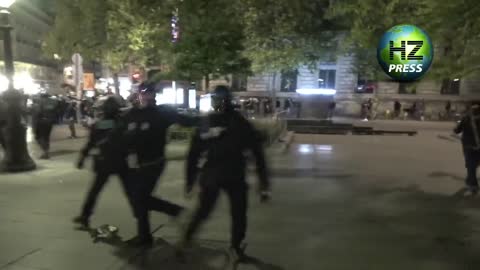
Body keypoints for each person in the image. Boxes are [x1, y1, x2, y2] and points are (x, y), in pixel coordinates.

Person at [179, 85, 271, 259]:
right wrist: (264, 184)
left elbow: (193, 155)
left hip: (218, 174)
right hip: (229, 174)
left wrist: (190, 181)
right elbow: (258, 155)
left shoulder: (215, 122)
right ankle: (235, 246)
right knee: (236, 213)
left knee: (208, 210)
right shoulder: (239, 123)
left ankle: (188, 238)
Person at [122, 82, 198, 248]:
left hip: (154, 163)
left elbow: (186, 121)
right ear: (138, 95)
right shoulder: (131, 115)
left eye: (150, 92)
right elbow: (119, 135)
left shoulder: (162, 112)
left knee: (140, 198)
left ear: (154, 94)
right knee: (139, 201)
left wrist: (211, 121)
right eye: (143, 92)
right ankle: (145, 236)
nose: (146, 95)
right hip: (136, 165)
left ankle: (173, 212)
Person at [73, 96, 133, 228]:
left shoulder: (100, 124)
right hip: (120, 162)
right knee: (130, 192)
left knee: (94, 191)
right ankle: (139, 215)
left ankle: (85, 216)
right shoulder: (123, 123)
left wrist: (82, 157)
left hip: (104, 162)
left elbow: (91, 143)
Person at [454, 102, 480, 194]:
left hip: (469, 146)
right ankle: (471, 181)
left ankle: (473, 185)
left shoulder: (466, 118)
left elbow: (457, 130)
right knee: (473, 165)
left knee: (471, 167)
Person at [32, 92, 59, 159]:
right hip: (50, 122)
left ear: (42, 96)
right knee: (46, 137)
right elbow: (57, 111)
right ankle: (46, 152)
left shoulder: (40, 102)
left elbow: (38, 112)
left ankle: (45, 152)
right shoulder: (54, 102)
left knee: (38, 137)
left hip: (41, 122)